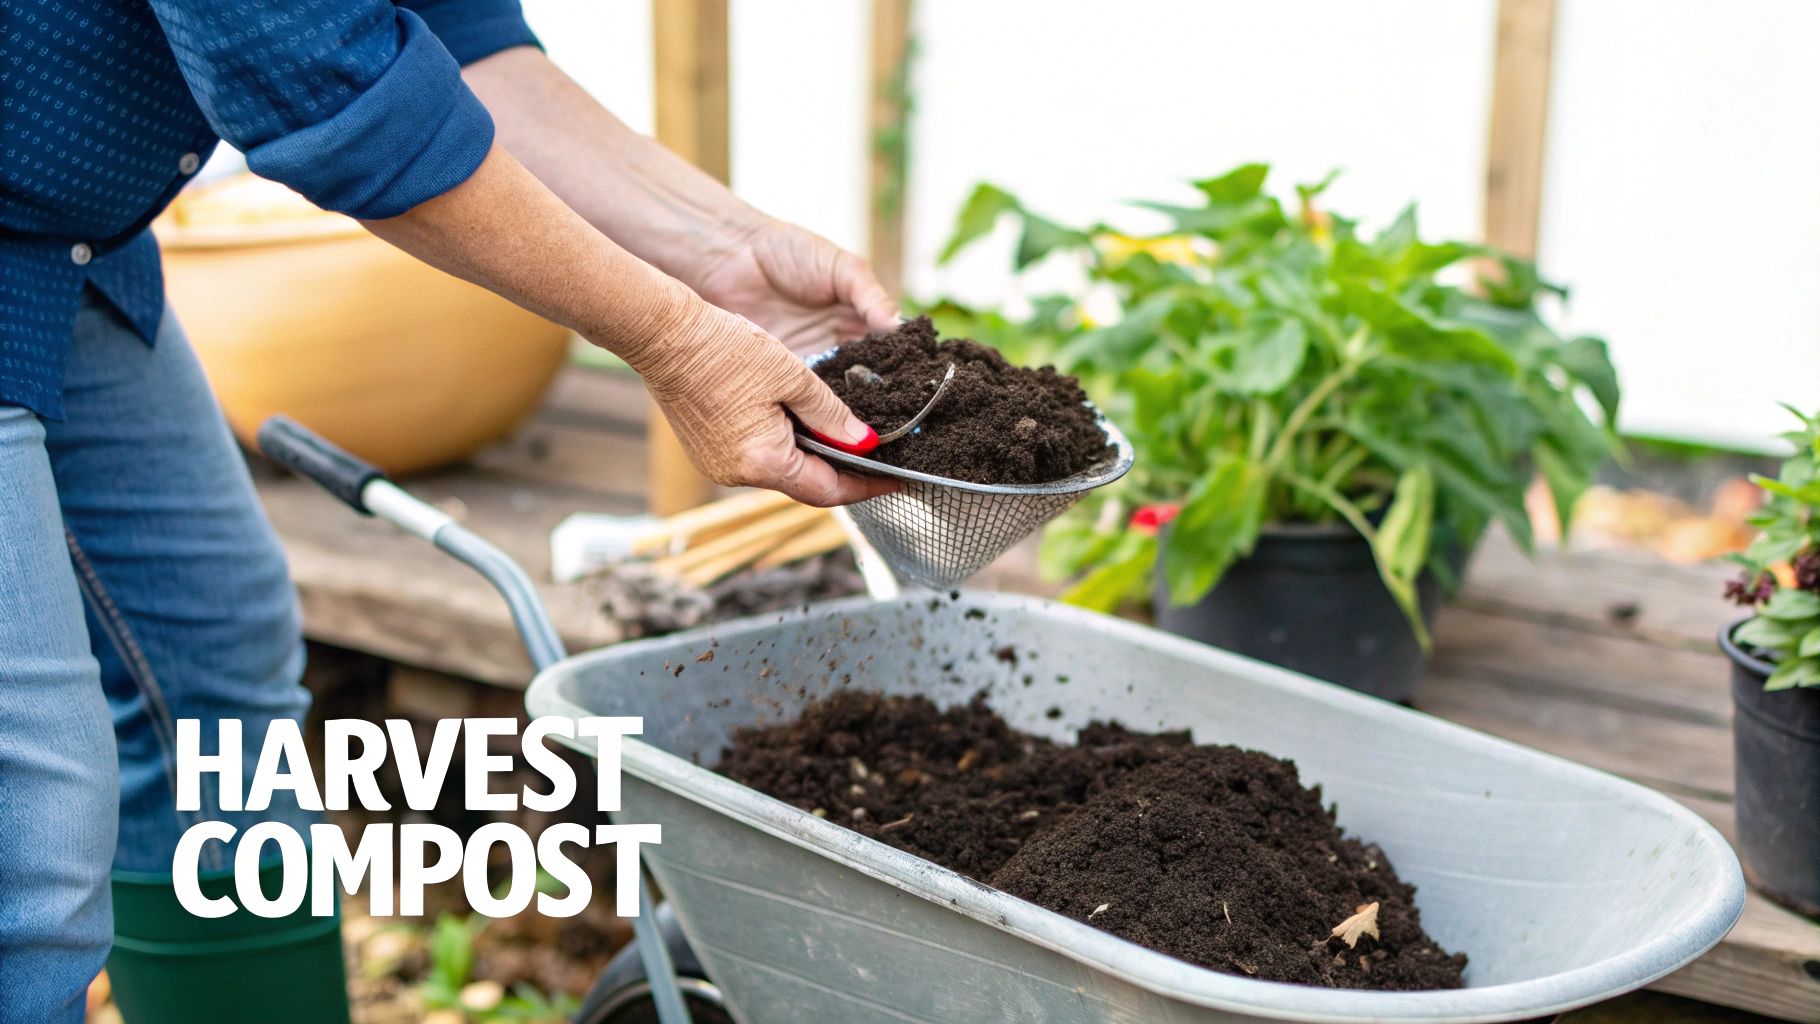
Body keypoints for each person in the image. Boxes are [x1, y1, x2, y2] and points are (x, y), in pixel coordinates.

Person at [0, 1, 896, 1020]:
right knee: (27, 839)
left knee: (212, 686)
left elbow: (457, 39)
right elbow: (313, 78)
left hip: (59, 236)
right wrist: (674, 338)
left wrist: (724, 252)